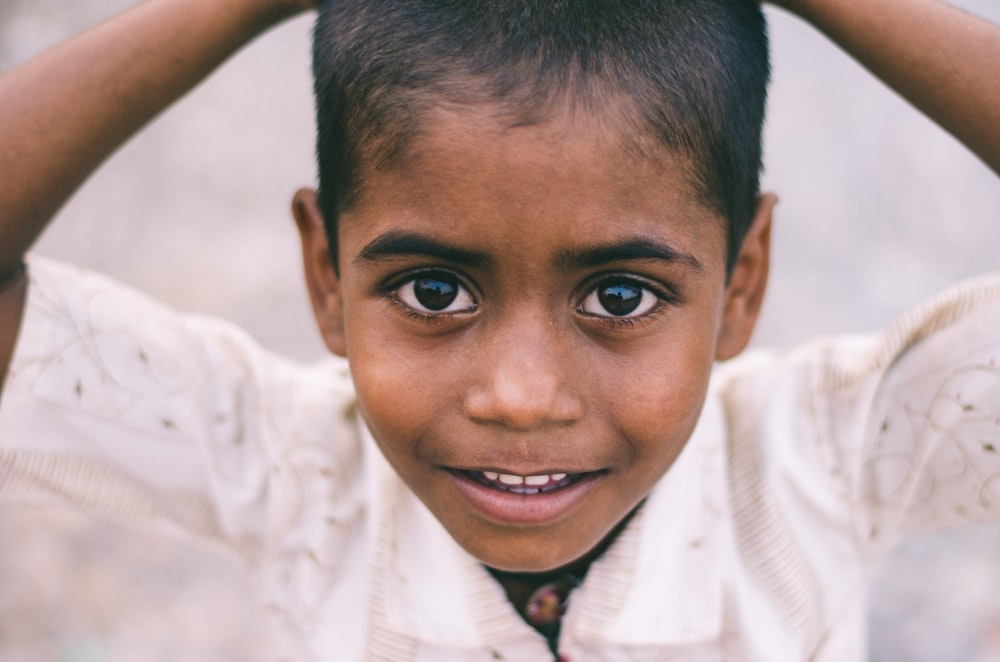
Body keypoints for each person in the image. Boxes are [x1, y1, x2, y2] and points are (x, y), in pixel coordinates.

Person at [0, 0, 998, 660]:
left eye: (618, 297)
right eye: (434, 291)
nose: (519, 396)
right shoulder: (289, 467)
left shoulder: (822, 455)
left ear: (741, 282)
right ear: (325, 274)